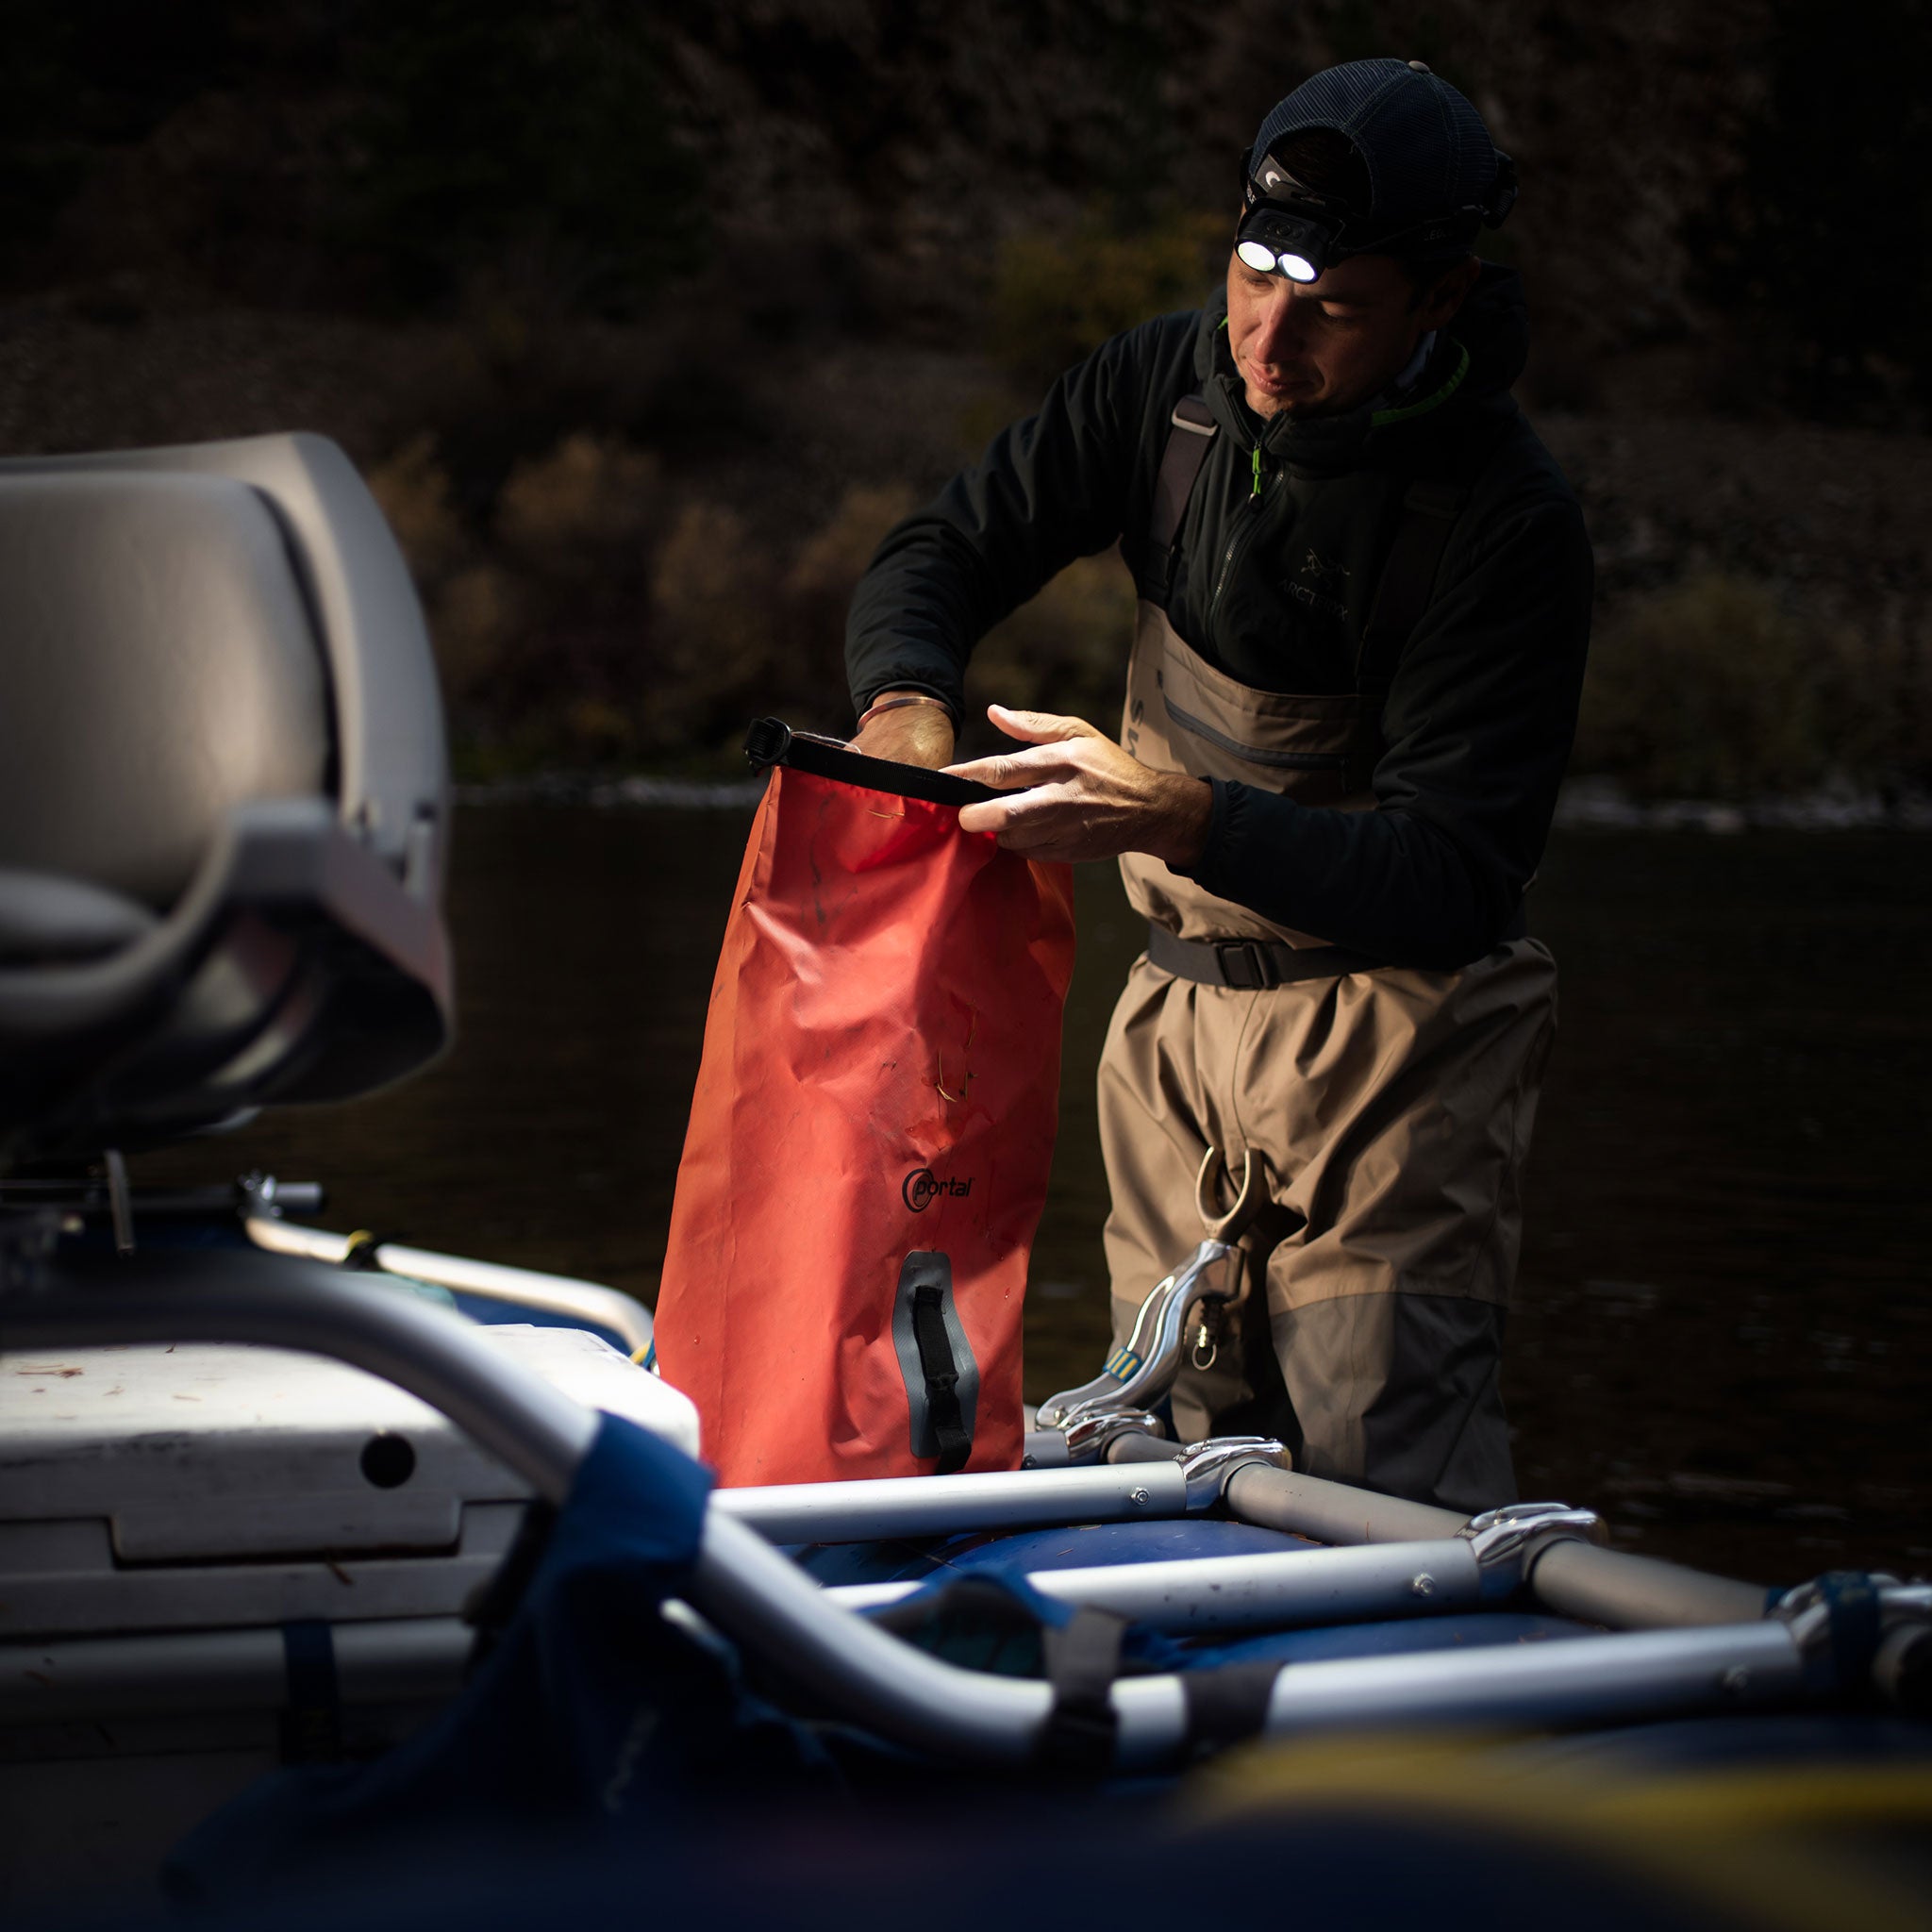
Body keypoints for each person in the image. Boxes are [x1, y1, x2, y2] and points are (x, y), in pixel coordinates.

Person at [842, 58, 1592, 1511]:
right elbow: (941, 550)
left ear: (1439, 299)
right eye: (1253, 275)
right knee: (1170, 1460)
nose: (1269, 336)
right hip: (1173, 1031)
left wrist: (1176, 814)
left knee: (1377, 1472)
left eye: (1333, 307)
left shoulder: (1510, 521)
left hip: (1400, 1044)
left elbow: (1454, 878)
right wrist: (903, 700)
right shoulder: (1160, 388)